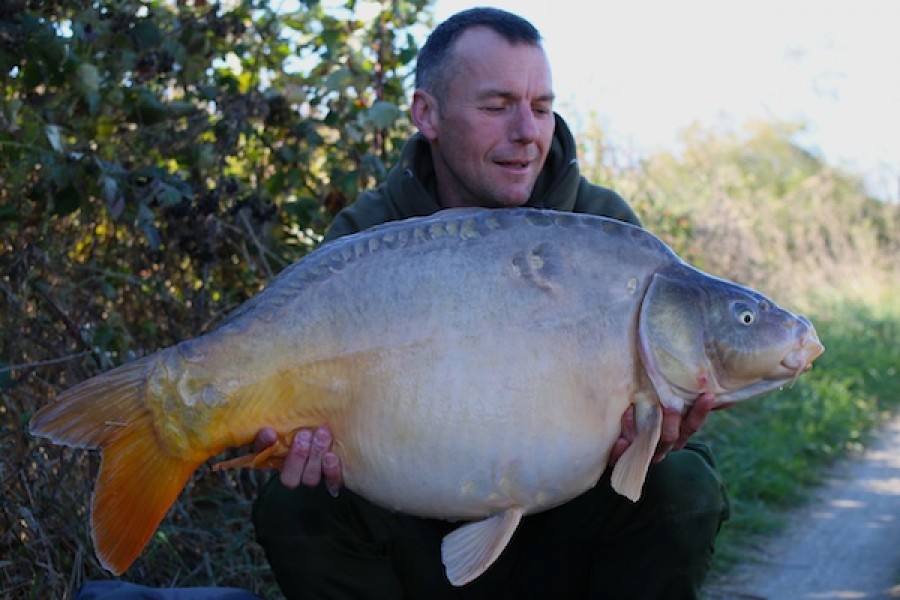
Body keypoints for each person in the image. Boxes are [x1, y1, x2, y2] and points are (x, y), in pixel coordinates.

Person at [252, 7, 729, 599]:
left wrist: (654, 441)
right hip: (411, 533)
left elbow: (657, 418)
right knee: (296, 503)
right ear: (427, 114)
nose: (527, 131)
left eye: (542, 106)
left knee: (683, 483)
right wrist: (302, 445)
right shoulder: (369, 235)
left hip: (565, 533)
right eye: (497, 106)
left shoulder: (604, 234)